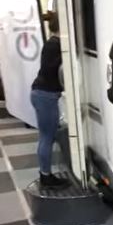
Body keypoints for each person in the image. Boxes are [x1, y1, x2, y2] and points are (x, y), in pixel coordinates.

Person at [31, 12, 69, 189]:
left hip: (43, 94)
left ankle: (46, 174)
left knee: (46, 136)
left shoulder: (53, 44)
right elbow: (53, 71)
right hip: (46, 95)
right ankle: (45, 176)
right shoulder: (56, 45)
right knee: (47, 137)